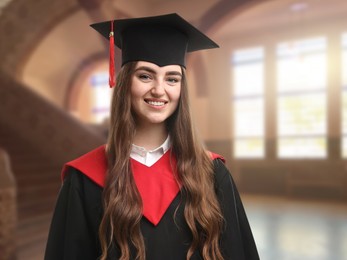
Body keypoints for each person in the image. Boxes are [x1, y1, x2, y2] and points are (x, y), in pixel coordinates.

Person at [44, 13, 259, 260]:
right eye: (145, 75)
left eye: (172, 78)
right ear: (125, 82)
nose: (159, 89)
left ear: (181, 88)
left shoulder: (211, 173)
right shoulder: (84, 180)